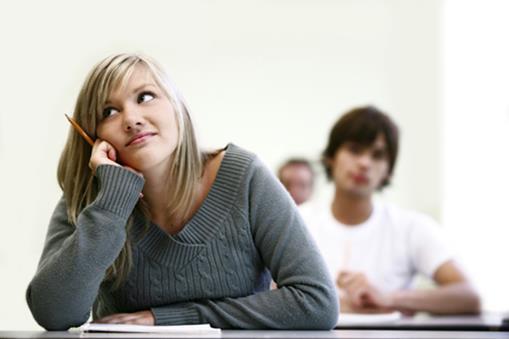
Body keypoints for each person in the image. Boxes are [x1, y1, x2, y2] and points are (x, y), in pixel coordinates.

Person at [26, 53, 338, 330]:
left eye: (145, 97)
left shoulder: (244, 177)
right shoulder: (91, 201)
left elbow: (316, 302)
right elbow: (54, 314)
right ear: (93, 137)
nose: (132, 119)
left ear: (177, 107)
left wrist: (174, 317)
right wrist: (111, 205)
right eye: (109, 112)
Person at [299, 106, 481, 315]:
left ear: (388, 171)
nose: (364, 163)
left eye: (377, 155)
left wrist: (390, 298)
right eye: (354, 150)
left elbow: (469, 295)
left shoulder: (410, 227)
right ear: (331, 158)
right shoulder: (298, 222)